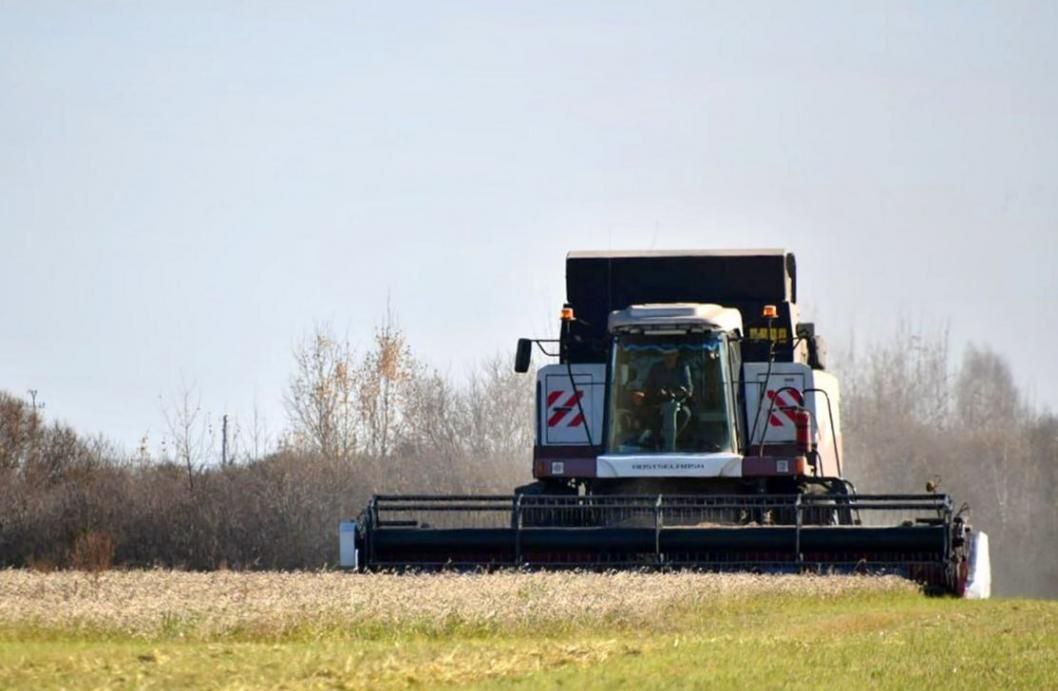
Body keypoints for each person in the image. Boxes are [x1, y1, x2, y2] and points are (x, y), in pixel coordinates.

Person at [630, 349, 694, 447]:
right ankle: (651, 440)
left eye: (671, 355)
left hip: (678, 404)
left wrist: (675, 393)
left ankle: (671, 441)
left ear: (677, 355)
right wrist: (657, 393)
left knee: (686, 414)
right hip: (657, 403)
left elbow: (689, 390)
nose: (669, 358)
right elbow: (648, 387)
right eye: (666, 355)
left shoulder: (683, 368)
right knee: (650, 415)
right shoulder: (656, 368)